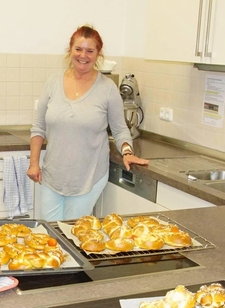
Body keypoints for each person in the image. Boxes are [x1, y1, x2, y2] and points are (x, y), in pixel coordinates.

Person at [27, 24, 149, 220]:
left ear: (97, 54)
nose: (83, 55)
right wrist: (34, 163)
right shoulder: (52, 82)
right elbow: (38, 128)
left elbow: (120, 130)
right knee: (50, 235)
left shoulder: (108, 89)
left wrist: (127, 151)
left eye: (90, 50)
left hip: (88, 178)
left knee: (73, 234)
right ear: (70, 50)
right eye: (79, 49)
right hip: (53, 176)